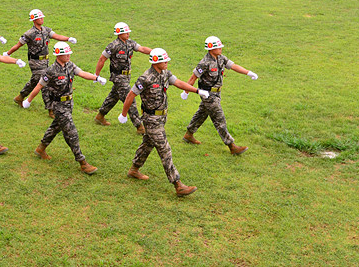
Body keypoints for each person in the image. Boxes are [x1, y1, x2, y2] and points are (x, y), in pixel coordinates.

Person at [119, 48, 202, 197]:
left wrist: (197, 91)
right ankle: (178, 184)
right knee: (165, 149)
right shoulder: (145, 78)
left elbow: (179, 83)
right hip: (151, 120)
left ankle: (134, 169)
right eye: (165, 60)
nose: (167, 62)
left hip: (161, 117)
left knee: (147, 145)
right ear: (156, 62)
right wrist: (124, 114)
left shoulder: (165, 74)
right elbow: (131, 95)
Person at [23, 41, 105, 174]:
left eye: (68, 53)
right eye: (66, 53)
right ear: (58, 55)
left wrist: (96, 78)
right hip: (58, 106)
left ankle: (40, 148)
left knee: (56, 127)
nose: (68, 55)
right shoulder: (50, 71)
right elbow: (39, 86)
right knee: (72, 133)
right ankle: (82, 162)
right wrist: (29, 100)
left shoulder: (70, 65)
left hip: (68, 104)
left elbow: (82, 73)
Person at [181, 36, 257, 154]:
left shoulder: (221, 58)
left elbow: (234, 66)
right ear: (211, 49)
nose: (221, 49)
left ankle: (188, 134)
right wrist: (186, 91)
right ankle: (232, 146)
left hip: (217, 93)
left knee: (202, 113)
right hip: (207, 94)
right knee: (219, 118)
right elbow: (193, 77)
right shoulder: (204, 63)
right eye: (218, 47)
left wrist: (248, 73)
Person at [6, 9, 76, 115]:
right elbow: (18, 45)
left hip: (45, 60)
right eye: (40, 17)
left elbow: (56, 36)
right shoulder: (29, 34)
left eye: (42, 17)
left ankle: (20, 97)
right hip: (35, 61)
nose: (42, 19)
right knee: (45, 84)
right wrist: (8, 54)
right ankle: (51, 109)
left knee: (36, 81)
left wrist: (68, 39)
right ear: (34, 20)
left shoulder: (46, 30)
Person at [94, 22, 152, 134]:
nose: (128, 34)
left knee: (113, 97)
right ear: (119, 33)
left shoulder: (130, 43)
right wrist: (97, 75)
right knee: (130, 99)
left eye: (128, 32)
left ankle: (100, 116)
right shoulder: (113, 45)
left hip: (126, 76)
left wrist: (154, 52)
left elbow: (142, 49)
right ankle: (139, 126)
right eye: (125, 32)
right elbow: (102, 59)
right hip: (118, 77)